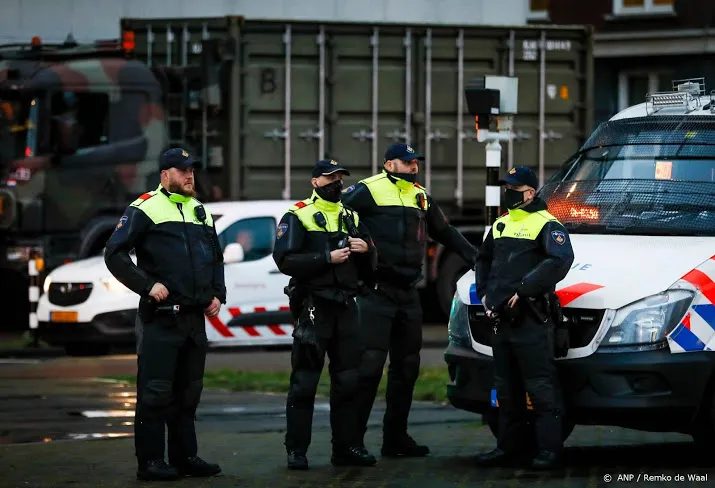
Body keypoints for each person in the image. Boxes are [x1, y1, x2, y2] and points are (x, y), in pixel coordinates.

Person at [341, 143, 477, 458]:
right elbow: (334, 215)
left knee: (407, 368)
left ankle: (395, 438)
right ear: (389, 163)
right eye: (407, 161)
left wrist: (478, 259)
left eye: (415, 161)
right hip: (376, 291)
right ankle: (352, 443)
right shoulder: (366, 190)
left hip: (407, 293)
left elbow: (445, 232)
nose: (414, 166)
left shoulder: (420, 195)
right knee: (369, 367)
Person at [104, 148, 225, 481]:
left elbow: (216, 258)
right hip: (160, 319)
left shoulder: (200, 210)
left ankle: (185, 457)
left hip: (193, 319)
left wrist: (217, 293)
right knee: (155, 393)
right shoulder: (144, 208)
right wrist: (146, 285)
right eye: (183, 170)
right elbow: (114, 254)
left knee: (188, 394)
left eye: (192, 171)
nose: (190, 176)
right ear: (165, 174)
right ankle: (151, 462)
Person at [273, 158, 379, 470]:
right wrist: (325, 258)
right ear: (315, 182)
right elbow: (284, 260)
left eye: (339, 177)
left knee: (348, 382)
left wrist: (366, 249)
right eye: (329, 178)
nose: (337, 183)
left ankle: (346, 448)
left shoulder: (351, 215)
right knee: (304, 383)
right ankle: (297, 451)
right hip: (314, 307)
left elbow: (373, 263)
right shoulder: (298, 214)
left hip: (346, 307)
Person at [473, 165, 574, 470]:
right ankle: (508, 448)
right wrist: (486, 296)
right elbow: (484, 260)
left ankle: (548, 451)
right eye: (507, 188)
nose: (508, 193)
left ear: (530, 193)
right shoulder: (501, 224)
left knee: (541, 388)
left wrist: (525, 291)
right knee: (506, 389)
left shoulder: (547, 224)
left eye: (514, 189)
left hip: (531, 318)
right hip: (500, 319)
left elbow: (561, 260)